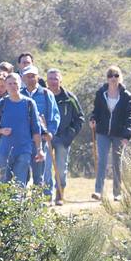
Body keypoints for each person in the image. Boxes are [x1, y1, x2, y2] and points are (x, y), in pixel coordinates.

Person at [0, 73, 43, 186]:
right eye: (10, 84)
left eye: (15, 83)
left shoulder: (29, 104)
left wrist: (39, 149)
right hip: (4, 151)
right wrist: (1, 131)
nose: (12, 86)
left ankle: (18, 203)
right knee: (3, 185)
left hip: (24, 149)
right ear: (6, 86)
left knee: (19, 184)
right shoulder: (0, 105)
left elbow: (36, 129)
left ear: (20, 84)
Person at [90, 65, 131, 201]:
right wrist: (92, 119)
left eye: (116, 75)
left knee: (117, 162)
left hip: (118, 134)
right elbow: (96, 110)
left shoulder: (126, 96)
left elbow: (129, 116)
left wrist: (127, 135)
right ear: (107, 78)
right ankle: (98, 191)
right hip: (102, 132)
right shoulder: (101, 93)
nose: (113, 78)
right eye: (110, 75)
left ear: (119, 77)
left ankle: (117, 193)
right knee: (102, 160)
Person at [20, 65, 59, 199]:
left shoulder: (46, 94)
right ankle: (21, 205)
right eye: (28, 76)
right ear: (23, 78)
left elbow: (54, 116)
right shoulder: (18, 94)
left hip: (40, 141)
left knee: (39, 175)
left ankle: (37, 205)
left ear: (38, 77)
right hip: (23, 141)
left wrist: (51, 132)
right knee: (22, 174)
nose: (31, 79)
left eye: (33, 76)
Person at [47, 68, 84, 206]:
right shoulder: (43, 96)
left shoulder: (69, 98)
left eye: (55, 79)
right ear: (46, 81)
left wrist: (70, 135)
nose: (53, 81)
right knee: (46, 168)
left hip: (63, 139)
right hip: (47, 138)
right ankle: (46, 196)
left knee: (61, 169)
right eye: (50, 78)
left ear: (60, 80)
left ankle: (59, 195)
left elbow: (79, 118)